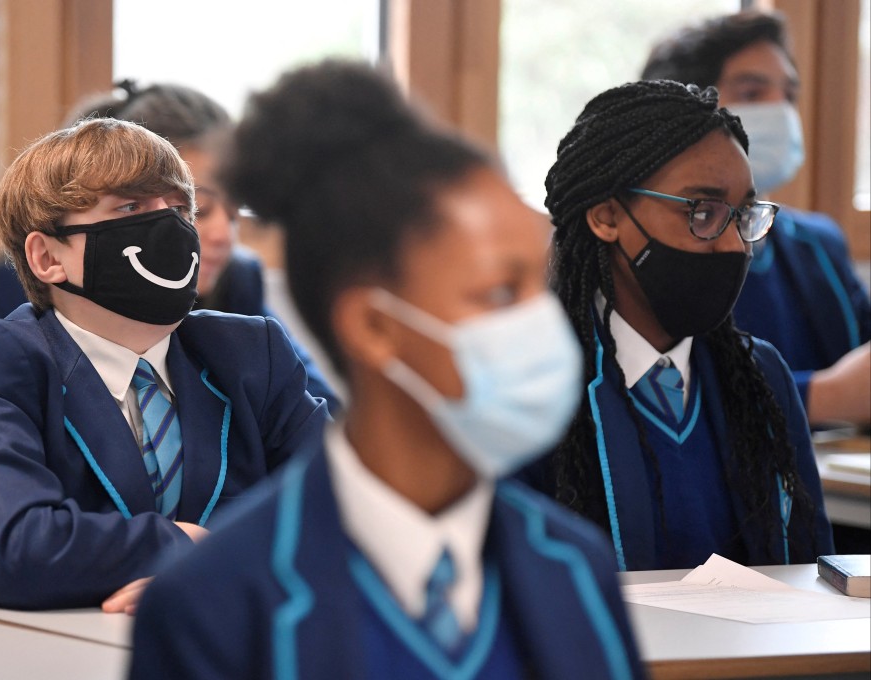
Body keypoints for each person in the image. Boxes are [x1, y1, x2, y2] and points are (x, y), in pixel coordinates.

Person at [128, 60, 645, 680]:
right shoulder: (215, 602)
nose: (543, 326)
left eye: (541, 286)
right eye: (500, 295)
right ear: (374, 327)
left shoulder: (574, 568)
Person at [0, 118, 329, 611]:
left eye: (179, 208)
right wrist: (185, 548)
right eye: (130, 207)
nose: (170, 229)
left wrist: (215, 572)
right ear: (47, 257)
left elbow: (354, 509)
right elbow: (19, 548)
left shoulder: (249, 352)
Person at [525, 78, 833, 572]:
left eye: (743, 215)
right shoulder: (539, 385)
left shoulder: (760, 378)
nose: (735, 245)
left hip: (760, 652)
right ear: (607, 217)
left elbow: (814, 571)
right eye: (702, 212)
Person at [0, 81, 341, 411]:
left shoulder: (240, 287)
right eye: (203, 209)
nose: (225, 235)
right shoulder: (8, 304)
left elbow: (321, 420)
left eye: (183, 209)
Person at [642, 10, 871, 427]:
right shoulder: (645, 247)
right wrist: (821, 397)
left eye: (789, 95)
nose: (781, 111)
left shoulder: (818, 244)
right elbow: (649, 394)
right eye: (752, 93)